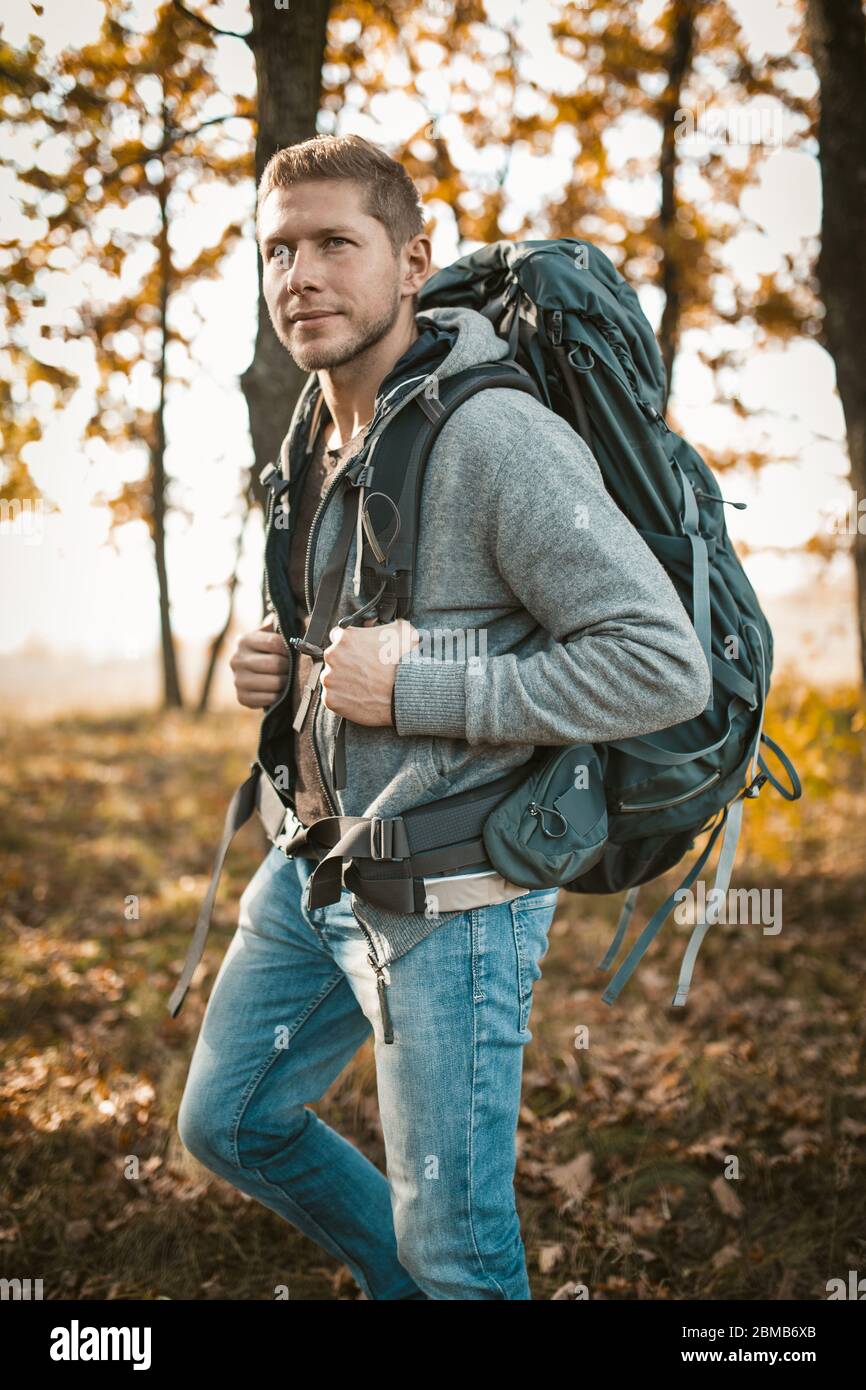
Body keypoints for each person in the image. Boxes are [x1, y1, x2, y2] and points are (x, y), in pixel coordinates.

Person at [177, 133, 711, 1300]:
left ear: (411, 259)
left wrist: (419, 691)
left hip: (451, 906)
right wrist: (277, 664)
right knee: (231, 1122)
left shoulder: (496, 438)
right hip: (314, 867)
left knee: (458, 1256)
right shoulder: (313, 434)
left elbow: (661, 665)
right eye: (277, 251)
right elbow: (357, 629)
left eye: (333, 244)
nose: (298, 277)